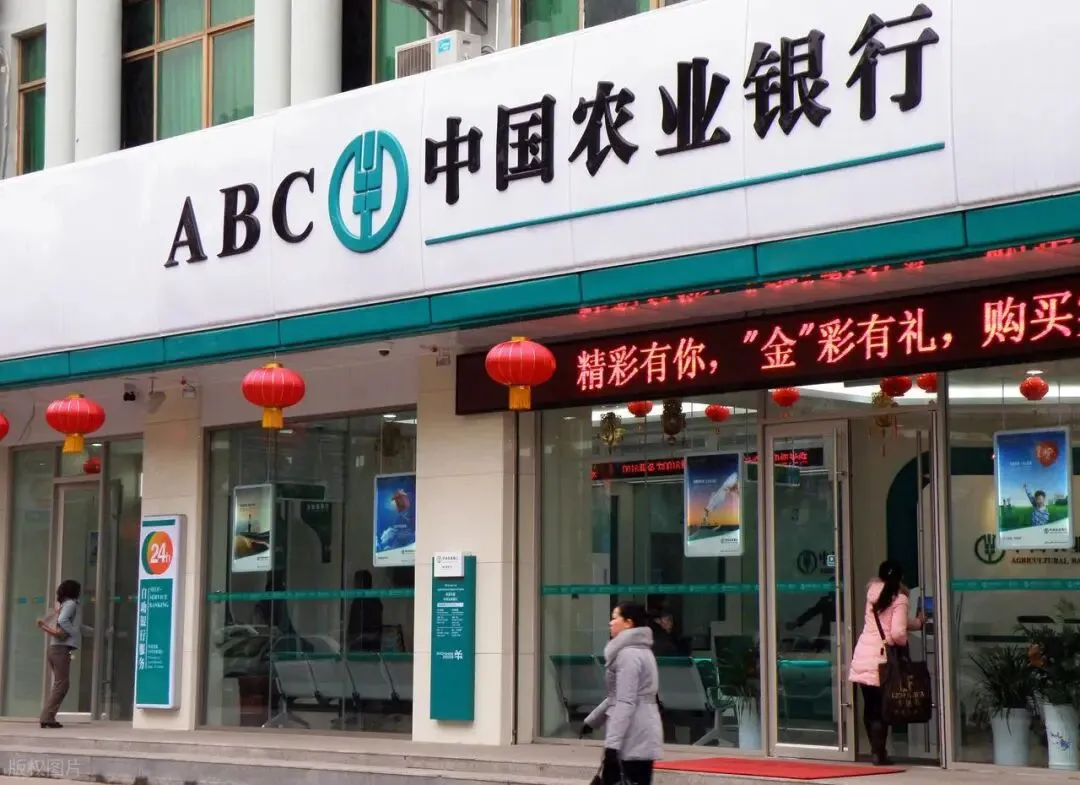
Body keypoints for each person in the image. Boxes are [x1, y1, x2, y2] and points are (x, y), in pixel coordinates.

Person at [848, 560, 925, 766]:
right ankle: (880, 754)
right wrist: (904, 641)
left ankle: (875, 751)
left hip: (863, 654)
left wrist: (916, 623)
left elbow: (886, 621)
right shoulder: (899, 598)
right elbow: (897, 632)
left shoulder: (872, 593)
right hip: (883, 659)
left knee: (870, 707)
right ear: (901, 577)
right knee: (883, 708)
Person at [581, 602, 663, 785]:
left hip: (632, 736)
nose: (610, 622)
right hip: (640, 733)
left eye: (614, 617)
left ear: (628, 623)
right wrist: (593, 720)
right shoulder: (641, 651)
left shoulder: (629, 655)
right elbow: (618, 696)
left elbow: (625, 701)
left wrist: (612, 745)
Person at [37, 579, 85, 729]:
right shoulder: (71, 604)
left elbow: (76, 626)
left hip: (55, 649)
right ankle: (47, 717)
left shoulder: (65, 605)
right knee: (62, 684)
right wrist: (73, 633)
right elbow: (64, 621)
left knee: (61, 684)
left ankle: (48, 717)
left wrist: (95, 632)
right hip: (60, 649)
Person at [347, 569, 384, 651]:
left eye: (357, 582)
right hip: (371, 643)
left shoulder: (360, 601)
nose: (354, 585)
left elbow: (354, 626)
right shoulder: (375, 600)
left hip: (363, 644)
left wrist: (351, 639)